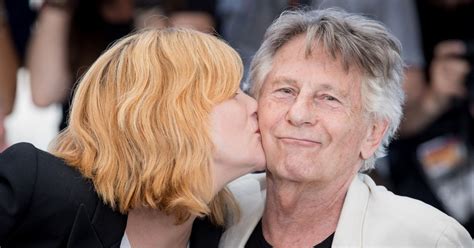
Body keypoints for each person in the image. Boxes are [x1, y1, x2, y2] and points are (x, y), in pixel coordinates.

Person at [219, 8, 472, 247]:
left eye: (329, 98)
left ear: (373, 133)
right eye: (285, 91)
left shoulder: (425, 239)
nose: (298, 114)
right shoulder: (216, 208)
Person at [0, 28, 266, 247]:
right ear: (169, 113)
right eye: (233, 93)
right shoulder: (37, 185)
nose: (255, 106)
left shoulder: (232, 230)